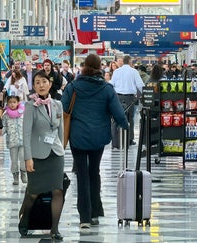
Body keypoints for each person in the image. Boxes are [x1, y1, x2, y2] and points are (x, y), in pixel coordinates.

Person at [61, 54, 128, 230]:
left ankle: (84, 217)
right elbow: (118, 112)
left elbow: (63, 107)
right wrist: (125, 125)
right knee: (94, 172)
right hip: (98, 137)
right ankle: (95, 213)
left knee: (81, 174)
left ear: (84, 66)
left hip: (78, 136)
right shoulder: (106, 88)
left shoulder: (73, 86)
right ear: (100, 67)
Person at [19, 71, 65, 240]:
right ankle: (25, 219)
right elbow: (26, 133)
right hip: (37, 154)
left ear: (50, 84)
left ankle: (54, 228)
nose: (41, 85)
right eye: (37, 82)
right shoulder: (31, 105)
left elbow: (61, 130)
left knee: (58, 191)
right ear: (34, 86)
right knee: (33, 192)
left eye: (44, 81)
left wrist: (61, 149)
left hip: (55, 153)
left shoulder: (57, 105)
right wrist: (27, 157)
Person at [110, 55, 144, 146]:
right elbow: (140, 85)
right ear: (130, 62)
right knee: (130, 118)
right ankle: (129, 139)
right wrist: (143, 96)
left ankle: (115, 141)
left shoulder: (116, 71)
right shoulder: (134, 71)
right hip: (130, 98)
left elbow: (111, 84)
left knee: (116, 118)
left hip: (117, 98)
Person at [1, 95, 26, 185]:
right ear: (7, 103)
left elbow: (28, 125)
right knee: (14, 160)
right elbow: (4, 126)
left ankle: (24, 173)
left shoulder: (23, 113)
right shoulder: (6, 115)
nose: (12, 104)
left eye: (14, 102)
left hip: (23, 141)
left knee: (23, 158)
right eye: (10, 102)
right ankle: (15, 176)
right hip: (12, 141)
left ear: (18, 103)